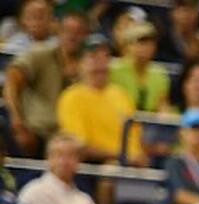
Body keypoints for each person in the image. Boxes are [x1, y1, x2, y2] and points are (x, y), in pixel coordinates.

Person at [3, 10, 88, 156]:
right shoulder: (40, 54)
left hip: (74, 136)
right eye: (67, 30)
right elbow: (11, 81)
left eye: (78, 31)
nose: (72, 36)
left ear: (86, 35)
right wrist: (17, 122)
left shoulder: (88, 64)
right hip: (38, 132)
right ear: (58, 31)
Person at [56, 34, 145, 166]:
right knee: (110, 171)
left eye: (105, 57)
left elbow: (137, 136)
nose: (100, 62)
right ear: (80, 63)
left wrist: (138, 156)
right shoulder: (71, 96)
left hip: (128, 163)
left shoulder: (120, 94)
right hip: (93, 166)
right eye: (93, 57)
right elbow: (80, 146)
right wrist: (121, 156)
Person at [17, 133, 115, 204]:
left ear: (78, 162)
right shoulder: (33, 192)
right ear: (48, 159)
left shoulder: (84, 200)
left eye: (70, 156)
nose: (64, 161)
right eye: (59, 155)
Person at [109, 21, 169, 112]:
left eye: (151, 43)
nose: (147, 47)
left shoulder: (160, 74)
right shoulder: (113, 70)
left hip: (150, 124)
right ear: (128, 45)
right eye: (141, 42)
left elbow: (162, 106)